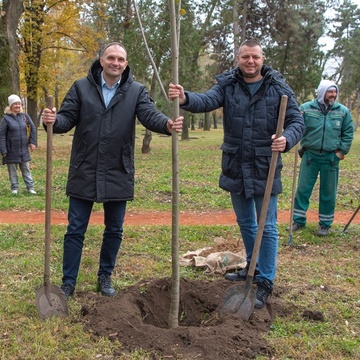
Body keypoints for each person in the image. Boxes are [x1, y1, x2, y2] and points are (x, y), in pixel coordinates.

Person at [168, 39, 305, 309]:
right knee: (246, 222)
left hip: (265, 165)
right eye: (245, 57)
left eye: (255, 57)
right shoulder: (228, 84)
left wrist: (287, 139)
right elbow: (207, 100)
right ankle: (250, 267)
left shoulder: (277, 87)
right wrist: (185, 98)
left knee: (267, 226)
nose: (250, 61)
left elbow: (297, 120)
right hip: (236, 164)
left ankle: (264, 279)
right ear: (238, 58)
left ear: (263, 59)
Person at [41, 42, 183, 300]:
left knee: (114, 229)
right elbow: (65, 120)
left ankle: (105, 276)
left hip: (119, 168)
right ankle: (68, 283)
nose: (115, 63)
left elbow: (149, 114)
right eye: (111, 58)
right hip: (84, 167)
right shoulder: (81, 87)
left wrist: (167, 123)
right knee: (75, 229)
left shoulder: (136, 91)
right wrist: (52, 121)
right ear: (101, 60)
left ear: (126, 64)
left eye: (120, 59)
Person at [289, 79, 354, 236]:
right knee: (303, 189)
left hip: (331, 158)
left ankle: (324, 224)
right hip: (310, 156)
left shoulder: (342, 111)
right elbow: (296, 126)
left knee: (328, 192)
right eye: (329, 91)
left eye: (334, 91)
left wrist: (341, 152)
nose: (333, 95)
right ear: (321, 92)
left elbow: (348, 133)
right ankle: (298, 220)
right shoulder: (305, 109)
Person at [0, 94, 37, 195]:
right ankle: (14, 189)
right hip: (11, 149)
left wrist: (32, 142)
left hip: (23, 149)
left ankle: (30, 188)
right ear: (11, 105)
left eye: (19, 103)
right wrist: (3, 150)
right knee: (12, 171)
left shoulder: (25, 116)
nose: (17, 105)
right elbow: (1, 135)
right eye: (15, 104)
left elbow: (33, 128)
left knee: (26, 169)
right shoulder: (6, 119)